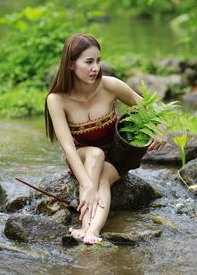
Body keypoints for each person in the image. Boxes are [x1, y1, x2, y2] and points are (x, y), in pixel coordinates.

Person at [45, 33, 167, 245]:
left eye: (98, 61)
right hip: (82, 154)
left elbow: (149, 109)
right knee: (94, 153)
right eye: (89, 62)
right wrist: (86, 184)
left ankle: (91, 231)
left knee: (102, 177)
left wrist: (161, 128)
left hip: (116, 155)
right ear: (71, 64)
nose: (96, 68)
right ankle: (86, 227)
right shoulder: (56, 99)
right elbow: (68, 148)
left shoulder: (110, 85)